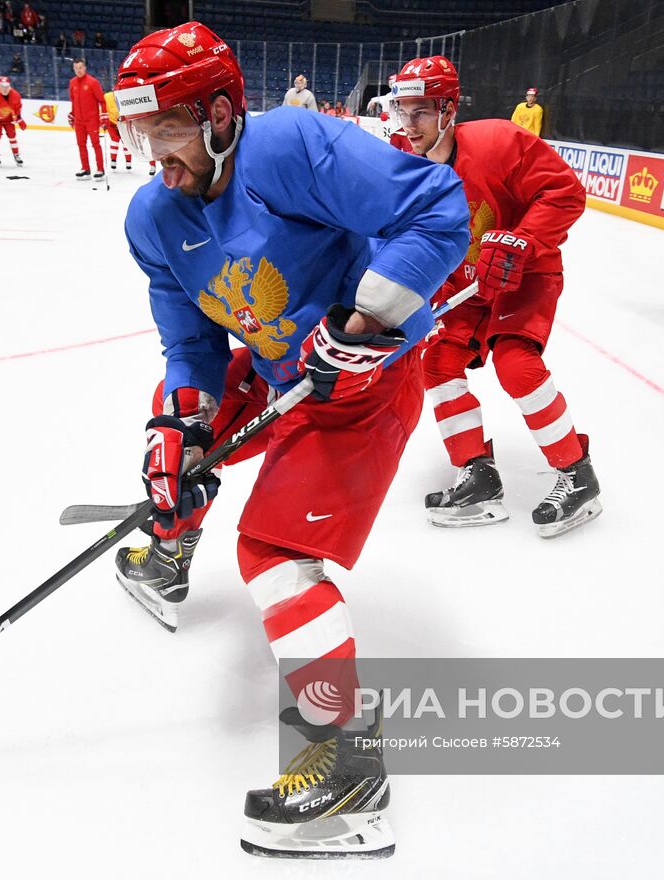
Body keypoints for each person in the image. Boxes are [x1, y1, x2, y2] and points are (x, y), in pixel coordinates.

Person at [111, 21, 468, 859]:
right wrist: (178, 424)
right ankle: (166, 553)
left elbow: (435, 209)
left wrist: (370, 317)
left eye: (166, 131)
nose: (153, 154)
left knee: (273, 554)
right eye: (141, 134)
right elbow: (191, 346)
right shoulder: (153, 217)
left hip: (364, 378)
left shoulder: (290, 146)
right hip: (282, 363)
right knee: (177, 452)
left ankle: (348, 773)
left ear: (221, 114)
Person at [392, 55, 602, 536]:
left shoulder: (498, 142)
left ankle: (577, 474)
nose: (410, 124)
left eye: (421, 111)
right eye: (403, 112)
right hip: (463, 282)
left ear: (448, 109)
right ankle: (478, 474)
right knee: (438, 360)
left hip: (525, 271)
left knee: (515, 361)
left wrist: (521, 239)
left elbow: (565, 193)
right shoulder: (404, 160)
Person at [67, 57, 105, 180]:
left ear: (85, 68)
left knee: (96, 144)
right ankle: (85, 168)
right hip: (79, 121)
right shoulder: (72, 82)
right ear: (73, 69)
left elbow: (102, 101)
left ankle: (100, 169)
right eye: (76, 68)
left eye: (81, 67)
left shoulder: (93, 82)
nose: (78, 70)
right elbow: (73, 100)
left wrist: (104, 116)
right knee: (81, 145)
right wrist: (72, 114)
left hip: (92, 120)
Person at [103, 88, 154, 175]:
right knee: (115, 140)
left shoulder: (127, 96)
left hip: (125, 123)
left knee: (130, 143)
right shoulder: (107, 97)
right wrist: (104, 120)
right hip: (113, 123)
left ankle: (132, 162)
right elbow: (103, 109)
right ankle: (113, 160)